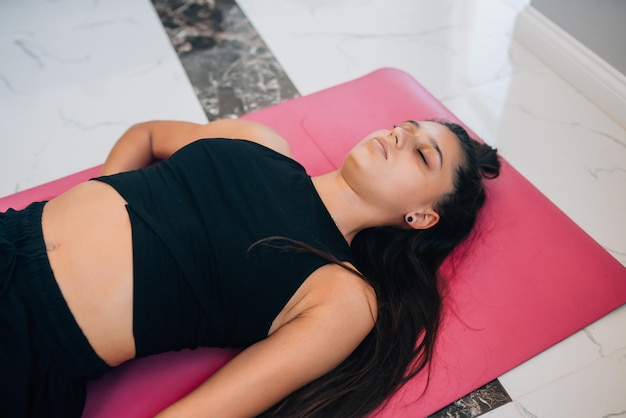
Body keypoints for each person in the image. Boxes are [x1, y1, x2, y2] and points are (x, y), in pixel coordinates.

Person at [0, 118, 500, 418]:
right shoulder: (259, 141)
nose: (395, 136)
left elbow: (207, 412)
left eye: (421, 154)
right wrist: (115, 202)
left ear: (421, 217)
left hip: (31, 342)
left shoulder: (342, 296)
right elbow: (147, 134)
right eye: (403, 127)